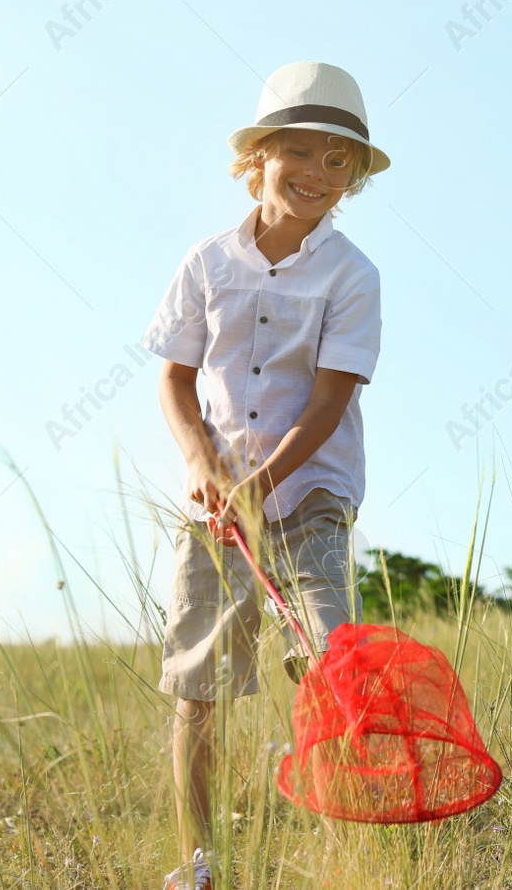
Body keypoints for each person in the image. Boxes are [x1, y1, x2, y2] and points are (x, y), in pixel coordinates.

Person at [143, 61, 388, 890]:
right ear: (258, 158)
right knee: (198, 683)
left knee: (325, 660)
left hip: (310, 495)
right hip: (217, 508)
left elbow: (327, 401)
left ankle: (337, 842)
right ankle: (199, 858)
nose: (318, 173)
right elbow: (176, 377)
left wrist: (264, 484)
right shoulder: (206, 264)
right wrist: (205, 465)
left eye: (338, 160)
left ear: (352, 177)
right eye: (301, 152)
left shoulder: (353, 276)